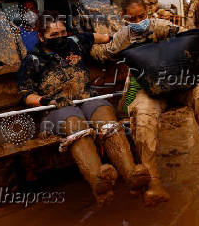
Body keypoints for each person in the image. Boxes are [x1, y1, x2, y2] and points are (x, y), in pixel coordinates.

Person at [91, 0, 199, 206]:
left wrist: (178, 34)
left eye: (141, 16)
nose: (138, 22)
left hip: (180, 81)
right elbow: (106, 52)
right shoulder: (123, 36)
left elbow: (190, 39)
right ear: (124, 18)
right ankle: (153, 182)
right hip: (149, 88)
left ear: (147, 13)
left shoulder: (161, 25)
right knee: (142, 116)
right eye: (132, 19)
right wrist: (87, 43)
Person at [17, 11, 150, 206]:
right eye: (54, 35)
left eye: (62, 32)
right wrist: (46, 101)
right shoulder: (32, 60)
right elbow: (25, 95)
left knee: (107, 119)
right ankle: (98, 182)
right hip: (57, 108)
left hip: (87, 98)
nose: (60, 38)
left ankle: (131, 176)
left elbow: (102, 37)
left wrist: (130, 37)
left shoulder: (75, 41)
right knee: (75, 124)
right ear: (40, 36)